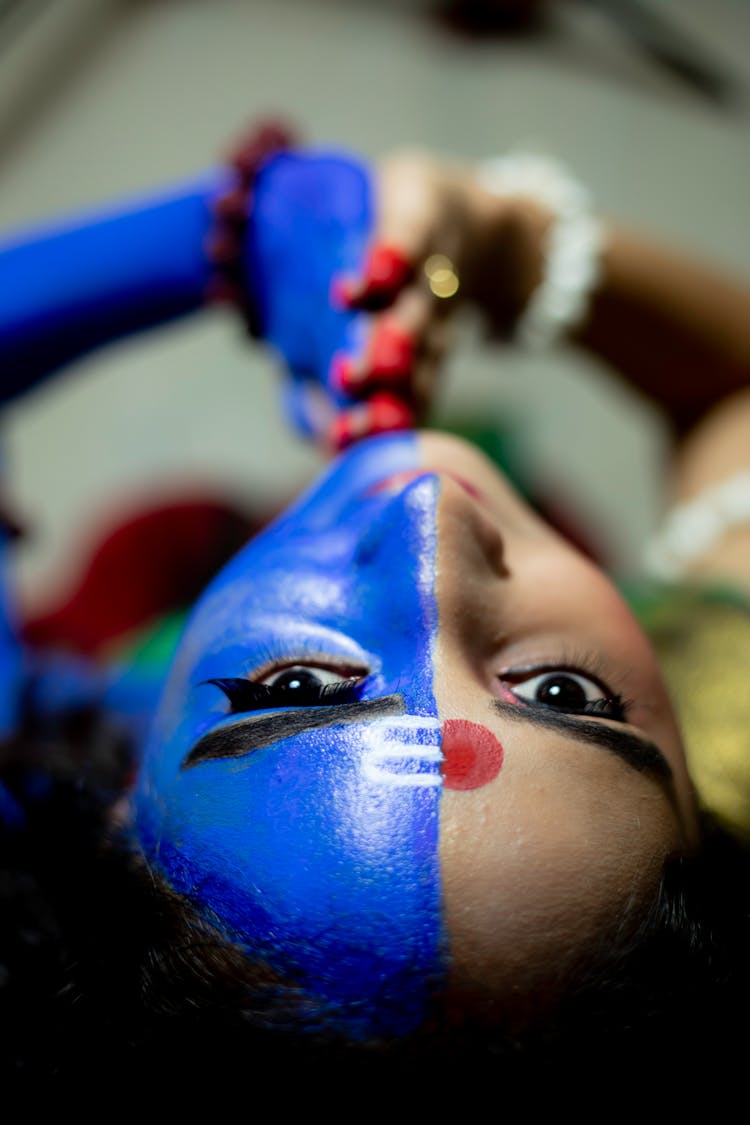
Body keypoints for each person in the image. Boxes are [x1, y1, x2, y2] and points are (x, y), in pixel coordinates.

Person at [1, 127, 749, 1086]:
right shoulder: (731, 715)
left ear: (120, 822)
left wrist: (222, 232)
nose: (429, 524)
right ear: (702, 791)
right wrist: (503, 245)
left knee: (150, 537)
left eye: (299, 683)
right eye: (565, 693)